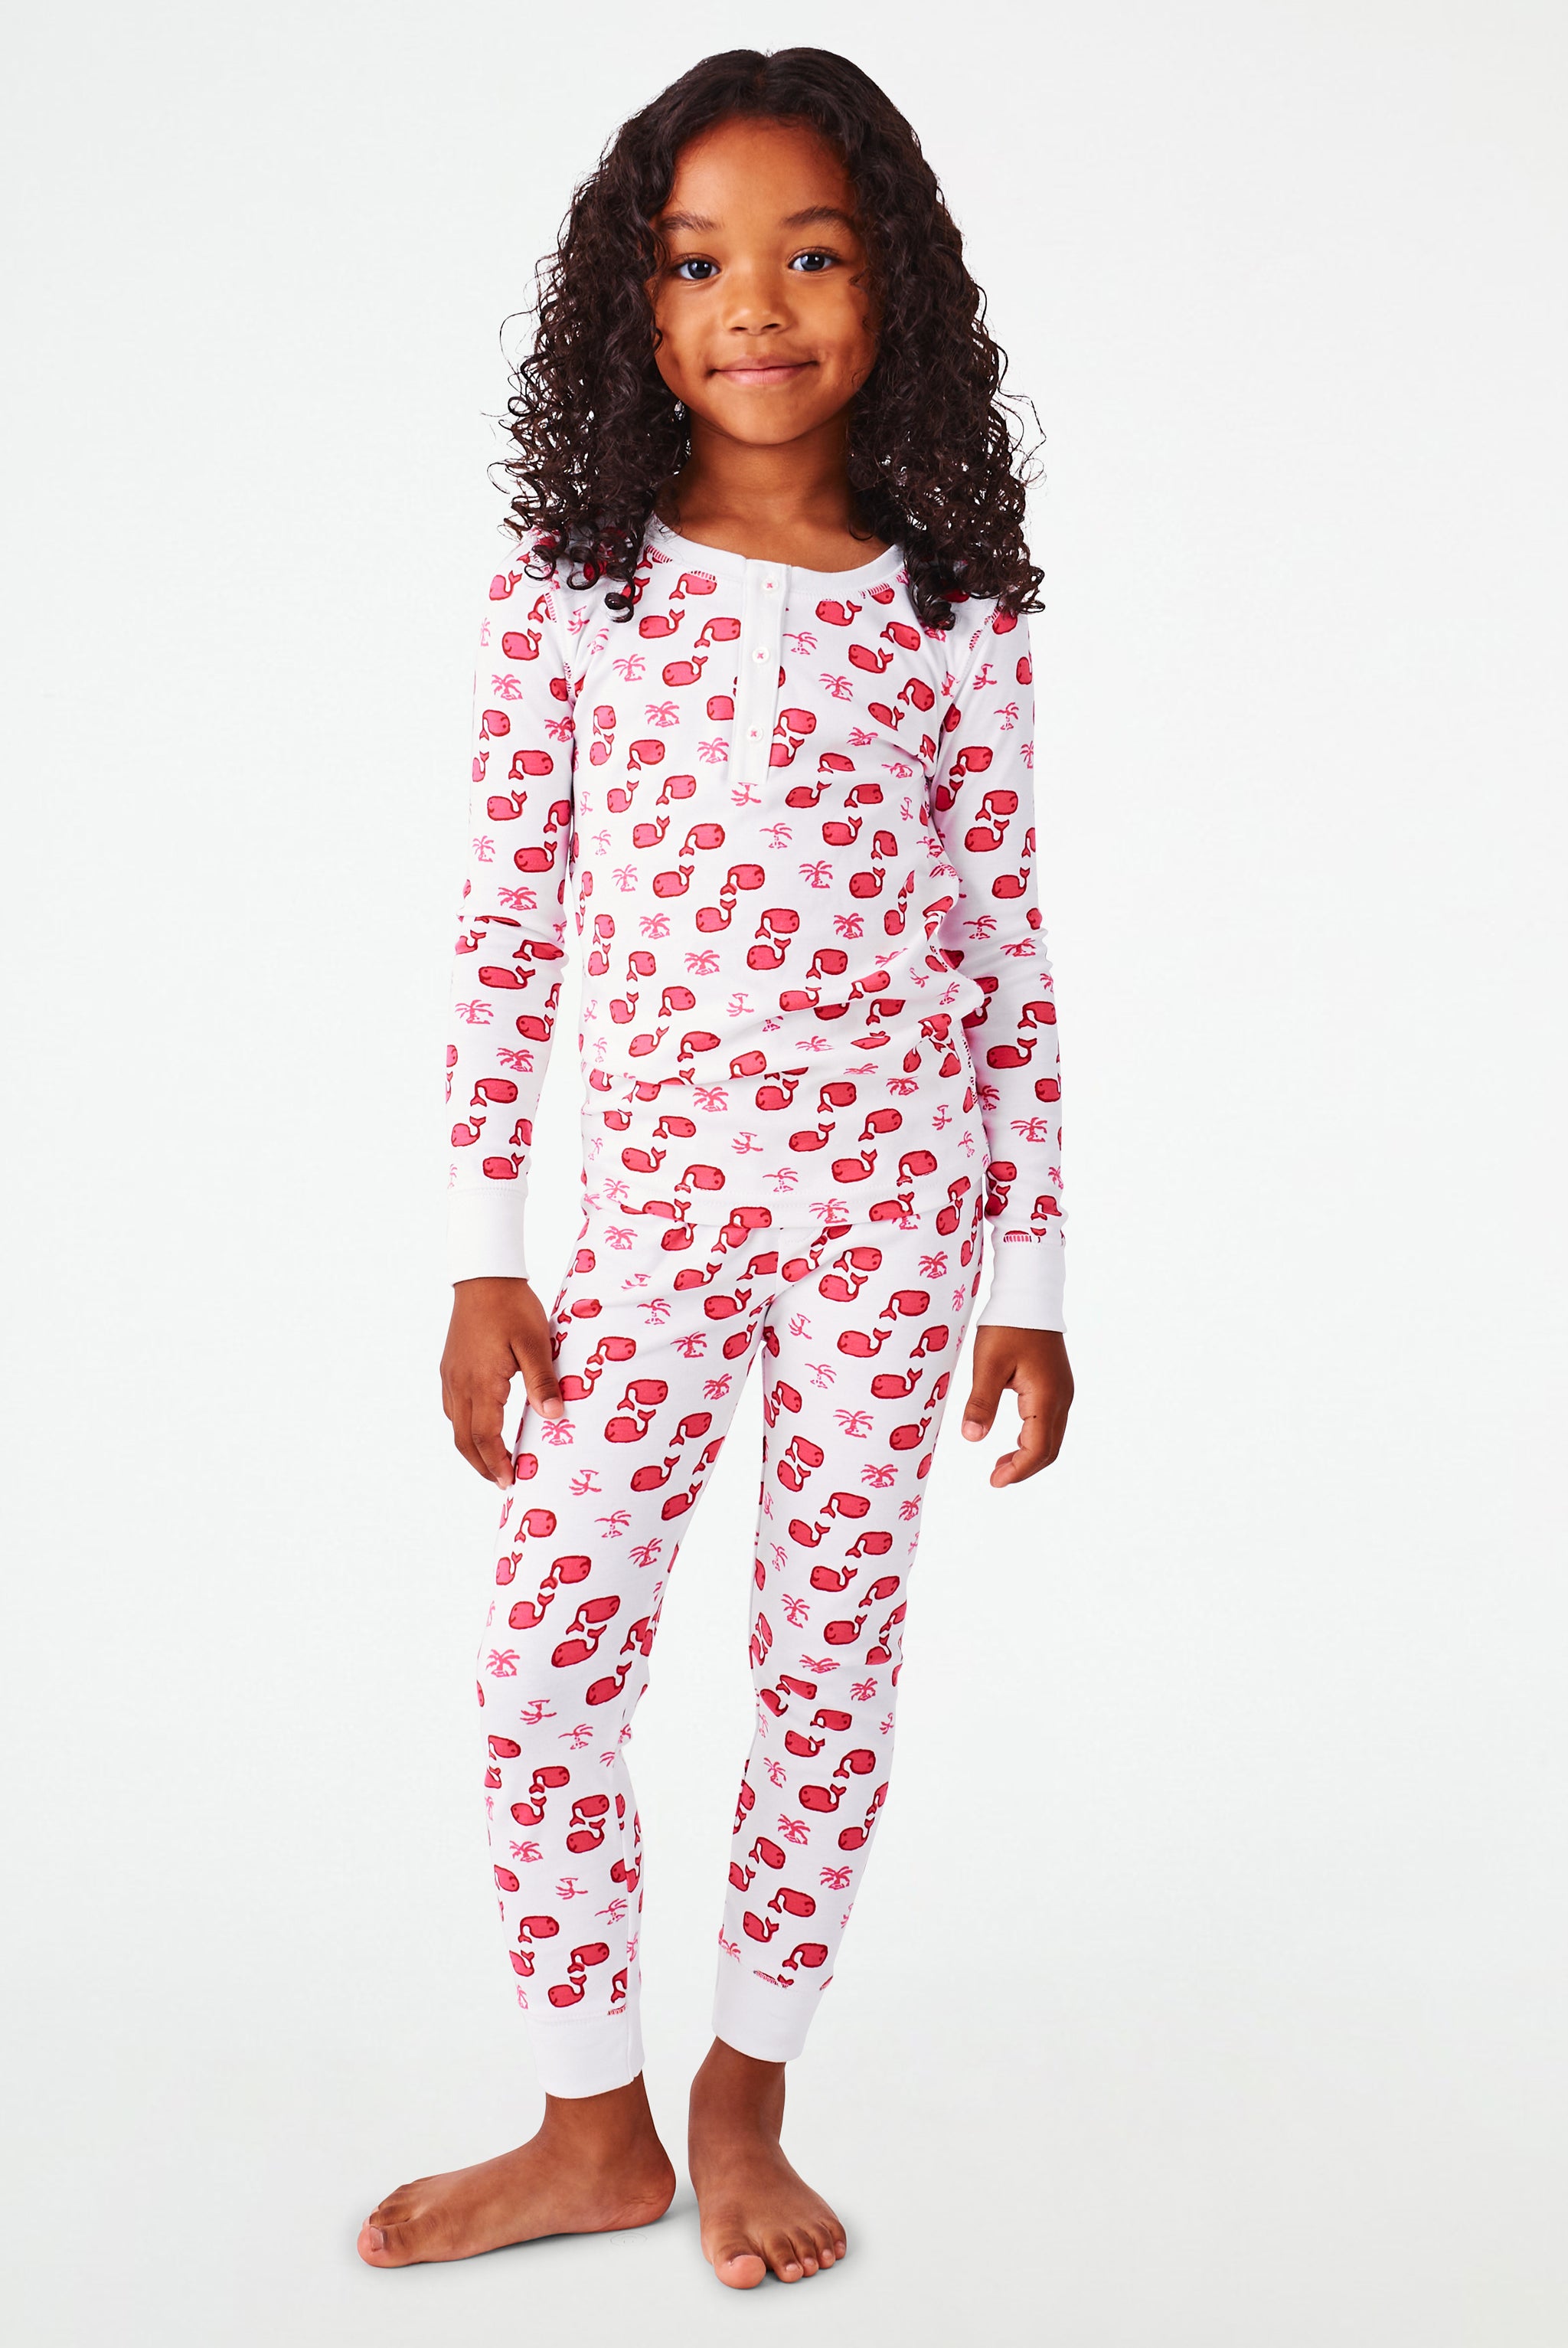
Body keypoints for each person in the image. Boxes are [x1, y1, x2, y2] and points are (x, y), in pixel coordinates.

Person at [359, 44, 1074, 2291]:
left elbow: (1002, 939)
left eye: (811, 253)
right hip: (654, 1222)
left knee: (824, 1666)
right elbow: (508, 918)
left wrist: (1031, 1271)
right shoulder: (578, 590)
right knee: (544, 1657)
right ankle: (592, 2124)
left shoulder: (955, 607)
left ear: (894, 288)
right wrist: (483, 1250)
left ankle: (744, 2100)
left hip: (897, 1220)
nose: (754, 302)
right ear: (636, 307)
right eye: (695, 263)